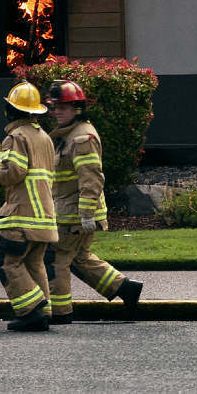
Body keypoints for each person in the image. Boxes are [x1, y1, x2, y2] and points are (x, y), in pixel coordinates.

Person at [45, 80, 143, 321]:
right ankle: (125, 288)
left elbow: (91, 177)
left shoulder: (81, 138)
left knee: (56, 260)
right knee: (80, 259)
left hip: (74, 216)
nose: (57, 112)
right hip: (70, 213)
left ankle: (60, 312)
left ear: (77, 109)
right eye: (55, 107)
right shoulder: (68, 135)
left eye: (63, 107)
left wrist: (86, 213)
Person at [0, 81, 58, 332]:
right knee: (33, 262)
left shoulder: (15, 137)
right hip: (44, 218)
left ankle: (30, 311)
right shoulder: (45, 138)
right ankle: (44, 311)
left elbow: (12, 174)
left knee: (6, 260)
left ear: (11, 111)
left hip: (22, 217)